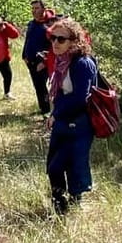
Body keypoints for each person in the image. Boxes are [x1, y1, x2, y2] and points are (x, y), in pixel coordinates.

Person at [44, 17, 97, 215]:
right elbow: (59, 93)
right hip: (63, 120)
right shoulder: (62, 61)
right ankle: (59, 205)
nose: (55, 43)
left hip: (79, 123)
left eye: (61, 39)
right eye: (52, 38)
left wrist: (57, 113)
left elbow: (79, 98)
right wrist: (54, 113)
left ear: (75, 41)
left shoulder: (82, 63)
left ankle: (73, 205)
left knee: (72, 165)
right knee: (54, 166)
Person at [22, 0, 55, 115]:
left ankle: (48, 110)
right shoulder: (31, 24)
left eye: (37, 8)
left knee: (42, 86)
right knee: (38, 86)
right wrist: (23, 56)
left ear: (43, 9)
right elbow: (28, 40)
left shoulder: (49, 25)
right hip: (30, 61)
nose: (34, 11)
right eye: (33, 8)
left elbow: (53, 47)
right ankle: (43, 109)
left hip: (43, 62)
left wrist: (43, 62)